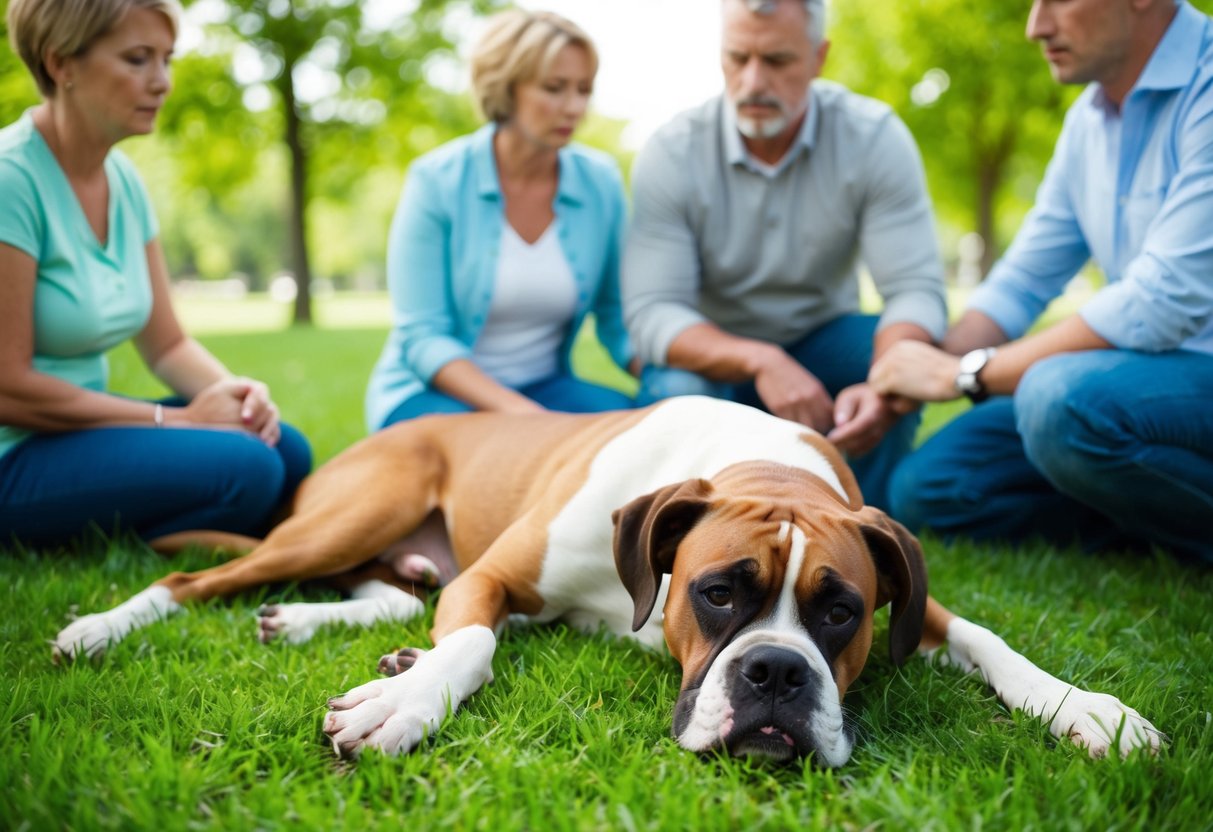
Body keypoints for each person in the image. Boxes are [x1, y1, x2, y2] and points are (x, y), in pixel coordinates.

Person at [869, 0, 1212, 563]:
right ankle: (1147, 519)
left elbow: (1163, 300)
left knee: (1057, 402)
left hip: (1190, 375)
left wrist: (966, 374)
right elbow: (1024, 279)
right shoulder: (1088, 120)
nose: (1036, 26)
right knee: (930, 486)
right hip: (1129, 386)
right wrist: (909, 374)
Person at [0, 0, 311, 548]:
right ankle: (177, 533)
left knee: (283, 447)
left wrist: (234, 396)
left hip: (79, 432)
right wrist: (178, 421)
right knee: (251, 469)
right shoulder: (11, 181)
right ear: (60, 64)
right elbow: (9, 387)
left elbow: (167, 344)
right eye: (138, 59)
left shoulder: (124, 180)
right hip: (16, 453)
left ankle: (185, 524)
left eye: (167, 59)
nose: (163, 82)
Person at [621, 0, 946, 511]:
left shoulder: (874, 137)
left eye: (777, 61)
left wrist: (886, 375)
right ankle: (690, 529)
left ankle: (862, 517)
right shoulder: (672, 151)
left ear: (819, 58)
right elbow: (653, 315)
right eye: (737, 57)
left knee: (900, 356)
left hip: (823, 340)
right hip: (716, 356)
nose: (752, 82)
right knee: (677, 385)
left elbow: (915, 291)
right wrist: (760, 359)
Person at [364, 9, 634, 431]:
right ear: (506, 88)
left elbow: (618, 317)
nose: (575, 107)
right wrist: (521, 416)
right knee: (502, 455)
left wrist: (672, 383)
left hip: (546, 389)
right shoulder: (436, 181)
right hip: (432, 395)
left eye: (584, 89)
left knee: (640, 432)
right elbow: (422, 338)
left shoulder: (600, 182)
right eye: (554, 88)